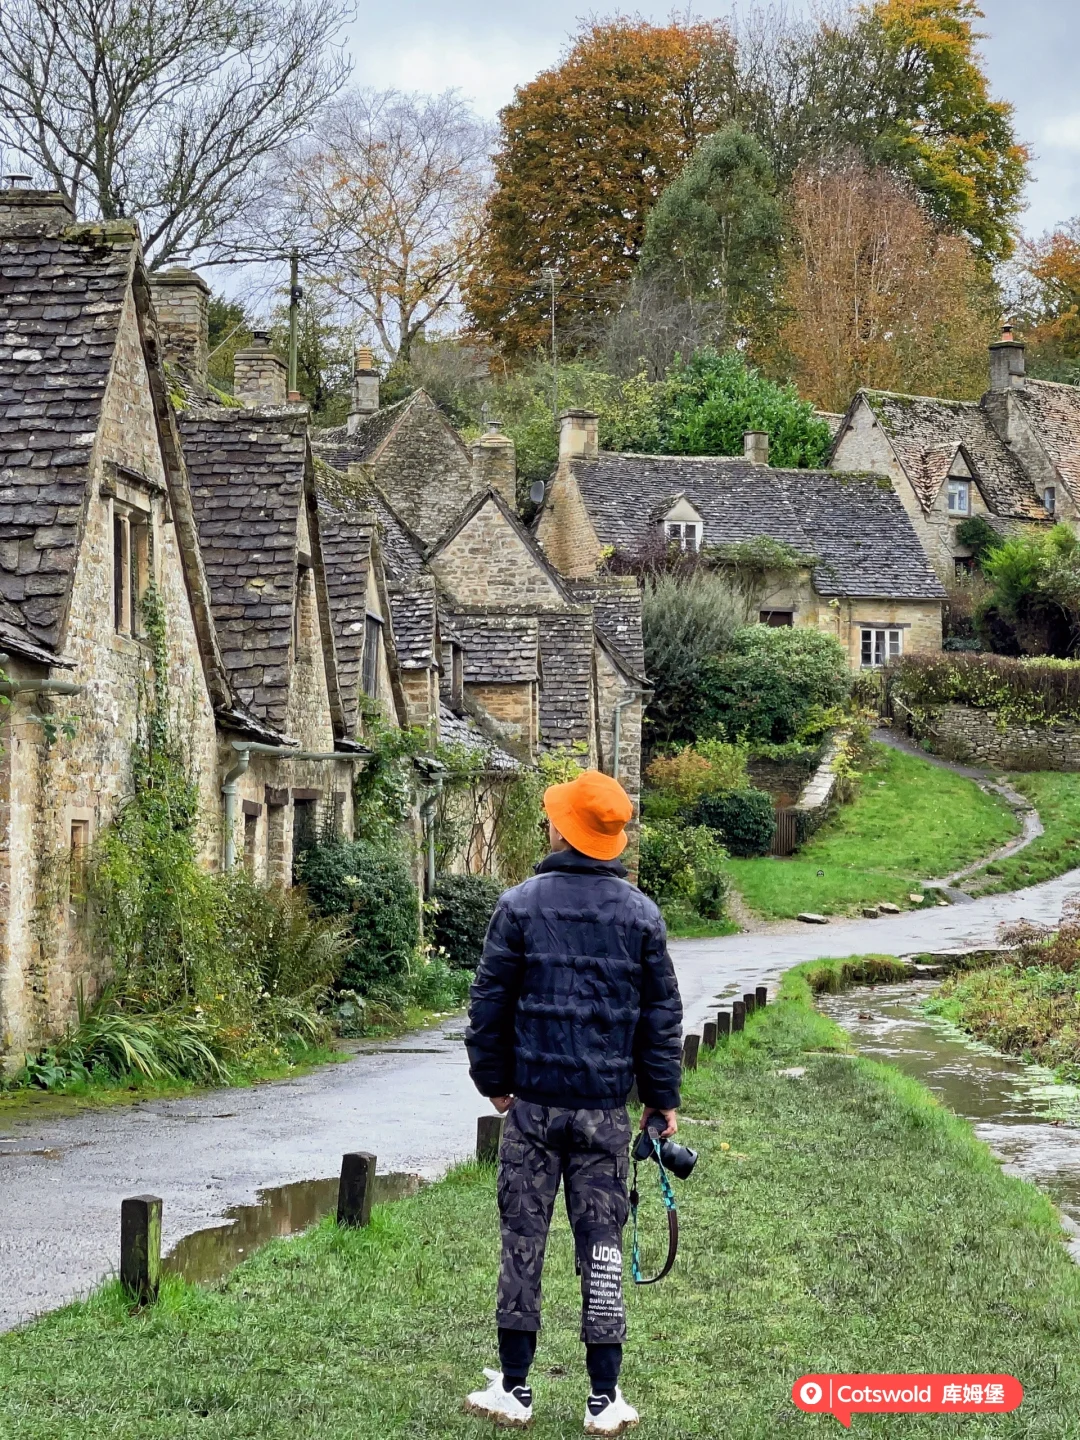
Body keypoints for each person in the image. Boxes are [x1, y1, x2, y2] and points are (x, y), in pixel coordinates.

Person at [463, 769, 683, 1435]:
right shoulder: (642, 915)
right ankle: (603, 1399)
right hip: (605, 1117)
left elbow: (488, 1005)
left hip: (531, 1110)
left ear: (563, 828)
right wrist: (662, 1101)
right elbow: (660, 1019)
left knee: (522, 1242)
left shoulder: (520, 904)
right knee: (604, 1247)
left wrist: (493, 1082)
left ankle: (516, 1390)